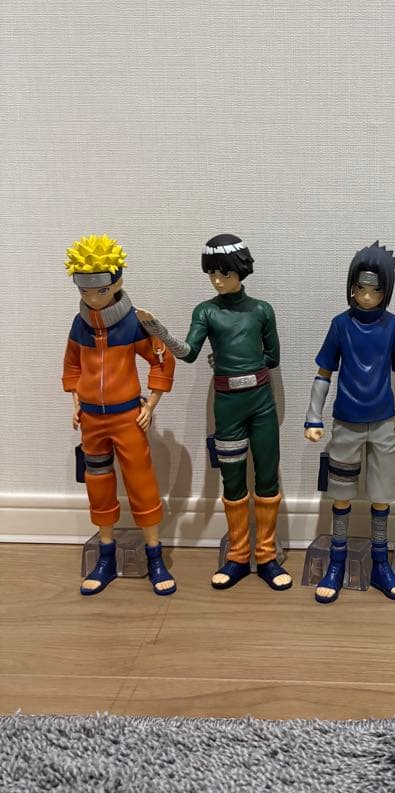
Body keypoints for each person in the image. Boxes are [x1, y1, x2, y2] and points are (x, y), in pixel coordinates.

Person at [137, 234, 291, 592]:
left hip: (262, 404)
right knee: (232, 480)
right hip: (227, 406)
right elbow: (189, 353)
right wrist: (162, 334)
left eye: (224, 273)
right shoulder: (205, 311)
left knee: (267, 477)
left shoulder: (262, 310)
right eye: (212, 274)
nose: (218, 281)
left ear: (241, 270)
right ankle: (238, 555)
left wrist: (235, 364)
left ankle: (266, 555)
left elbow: (273, 357)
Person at [63, 234, 177, 596]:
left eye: (99, 289)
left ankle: (155, 556)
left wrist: (151, 404)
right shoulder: (80, 324)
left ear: (116, 283)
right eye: (84, 289)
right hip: (91, 421)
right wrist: (76, 401)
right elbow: (72, 364)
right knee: (98, 484)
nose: (92, 298)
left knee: (141, 483)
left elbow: (162, 359)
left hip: (127, 417)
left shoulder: (133, 323)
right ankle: (106, 555)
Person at [305, 242, 395, 604]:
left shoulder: (392, 326)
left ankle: (381, 564)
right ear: (351, 286)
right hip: (346, 422)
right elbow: (323, 373)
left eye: (375, 289)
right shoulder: (340, 325)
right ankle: (336, 563)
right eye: (360, 288)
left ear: (386, 291)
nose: (367, 296)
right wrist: (313, 416)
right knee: (340, 496)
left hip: (383, 423)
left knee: (381, 497)